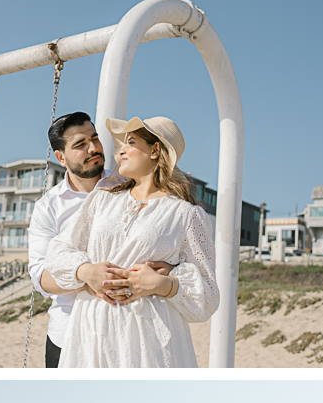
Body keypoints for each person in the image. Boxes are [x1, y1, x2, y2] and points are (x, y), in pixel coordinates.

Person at [44, 116, 219, 368]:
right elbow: (59, 249)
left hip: (149, 342)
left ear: (155, 151)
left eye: (131, 142)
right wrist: (86, 271)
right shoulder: (102, 199)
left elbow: (209, 296)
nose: (121, 150)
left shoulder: (187, 215)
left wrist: (164, 284)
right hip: (92, 330)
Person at [27, 111, 175, 368]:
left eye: (94, 138)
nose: (93, 148)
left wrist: (170, 271)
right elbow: (41, 276)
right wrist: (85, 276)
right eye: (80, 145)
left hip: (130, 332)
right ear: (60, 157)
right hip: (67, 333)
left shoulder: (133, 183)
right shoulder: (47, 207)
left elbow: (167, 242)